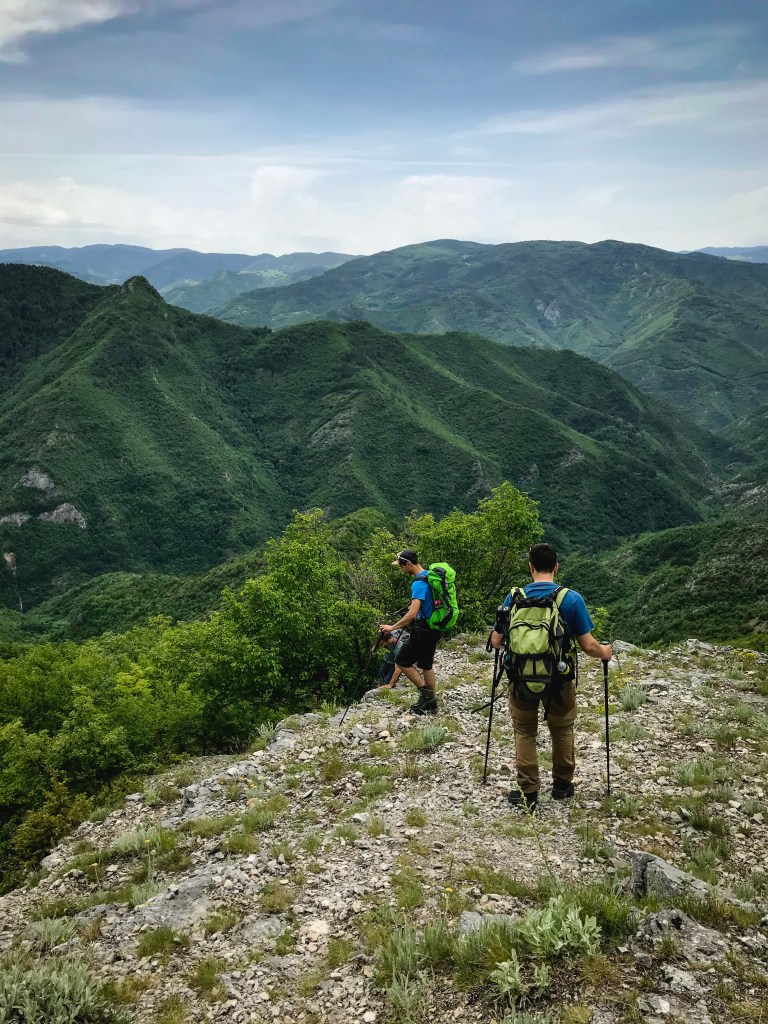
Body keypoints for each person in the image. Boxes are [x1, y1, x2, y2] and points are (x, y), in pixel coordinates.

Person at [491, 542, 612, 810]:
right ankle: (562, 785)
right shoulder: (570, 599)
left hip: (520, 678)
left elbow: (497, 641)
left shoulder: (514, 597)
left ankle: (529, 792)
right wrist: (604, 652)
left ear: (531, 567)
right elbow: (588, 646)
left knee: (525, 731)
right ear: (556, 567)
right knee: (562, 729)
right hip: (559, 679)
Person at [379, 550, 440, 715]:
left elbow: (412, 614)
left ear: (408, 564)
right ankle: (430, 702)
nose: (401, 570)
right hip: (435, 627)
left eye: (401, 566)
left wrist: (392, 627)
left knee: (401, 660)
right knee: (426, 664)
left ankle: (427, 696)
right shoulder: (429, 576)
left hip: (423, 630)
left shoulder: (418, 583)